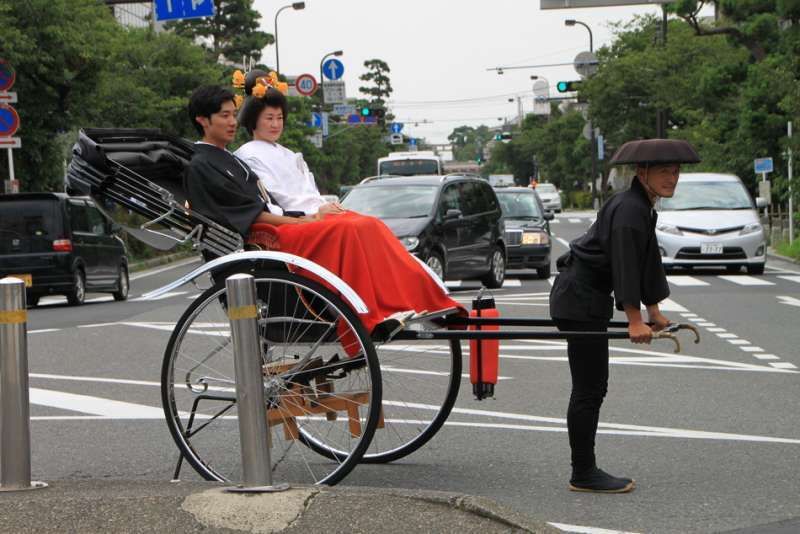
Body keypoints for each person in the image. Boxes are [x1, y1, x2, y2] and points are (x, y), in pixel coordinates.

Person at [185, 83, 462, 339]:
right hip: (266, 236)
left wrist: (308, 216)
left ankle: (412, 299)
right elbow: (252, 213)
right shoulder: (205, 164)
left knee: (369, 225)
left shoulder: (227, 158)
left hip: (282, 223)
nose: (232, 122)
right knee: (349, 230)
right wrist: (305, 219)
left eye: (234, 114)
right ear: (202, 120)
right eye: (224, 116)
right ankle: (365, 313)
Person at [549, 138, 701, 493]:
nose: (672, 178)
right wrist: (634, 319)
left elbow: (647, 262)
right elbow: (625, 266)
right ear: (642, 172)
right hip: (579, 298)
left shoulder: (641, 205)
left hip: (585, 297)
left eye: (676, 171)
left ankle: (583, 469)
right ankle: (583, 472)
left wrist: (654, 312)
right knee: (589, 389)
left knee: (593, 387)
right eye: (664, 171)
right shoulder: (631, 209)